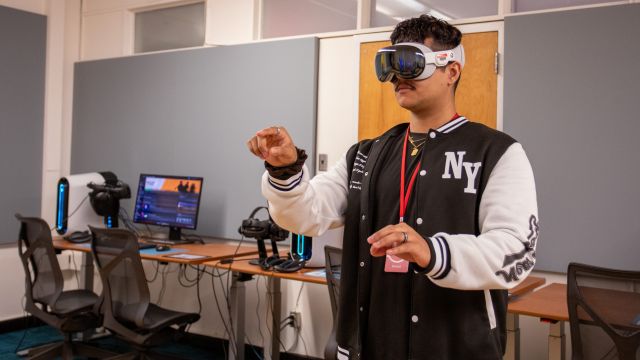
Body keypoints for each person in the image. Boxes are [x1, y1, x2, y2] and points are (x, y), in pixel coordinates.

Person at [246, 15, 538, 360]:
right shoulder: (366, 154)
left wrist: (434, 252)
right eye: (390, 64)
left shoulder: (496, 152)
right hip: (370, 344)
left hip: (454, 346)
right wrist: (285, 170)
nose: (398, 76)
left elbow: (516, 252)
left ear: (451, 71)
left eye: (411, 63)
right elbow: (307, 216)